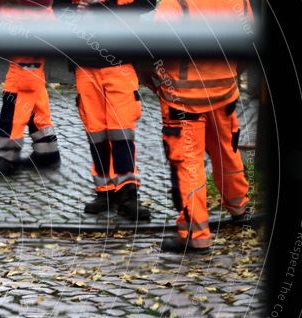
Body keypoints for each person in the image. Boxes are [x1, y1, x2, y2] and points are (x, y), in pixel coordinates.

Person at [151, 0, 253, 253]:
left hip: (183, 100)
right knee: (226, 150)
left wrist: (157, 82)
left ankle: (196, 235)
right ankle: (238, 206)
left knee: (188, 163)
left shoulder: (177, 4)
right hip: (224, 92)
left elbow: (153, 48)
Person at [67, 0, 154, 221]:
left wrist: (103, 8)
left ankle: (128, 195)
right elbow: (58, 9)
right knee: (96, 132)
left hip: (120, 61)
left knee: (121, 129)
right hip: (84, 62)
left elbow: (147, 3)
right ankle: (104, 192)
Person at [0, 0, 61, 177]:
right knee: (34, 93)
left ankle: (7, 159)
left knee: (18, 92)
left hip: (29, 32)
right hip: (27, 31)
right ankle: (47, 153)